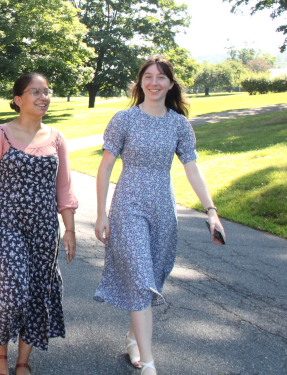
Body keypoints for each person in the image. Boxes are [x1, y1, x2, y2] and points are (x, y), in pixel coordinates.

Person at [94, 56, 226, 375]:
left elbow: (192, 168)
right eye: (148, 77)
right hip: (128, 206)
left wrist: (212, 211)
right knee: (141, 281)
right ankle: (149, 365)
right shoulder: (124, 119)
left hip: (164, 209)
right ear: (140, 83)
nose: (154, 82)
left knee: (152, 278)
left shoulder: (179, 124)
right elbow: (106, 167)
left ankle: (133, 338)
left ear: (170, 84)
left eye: (161, 77)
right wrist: (101, 213)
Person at [0, 72, 78, 375]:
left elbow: (64, 189)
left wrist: (69, 229)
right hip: (9, 226)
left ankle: (23, 361)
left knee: (38, 293)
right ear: (18, 99)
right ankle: (0, 352)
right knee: (13, 291)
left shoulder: (57, 138)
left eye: (47, 91)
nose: (44, 97)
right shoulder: (0, 135)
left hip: (46, 229)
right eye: (36, 92)